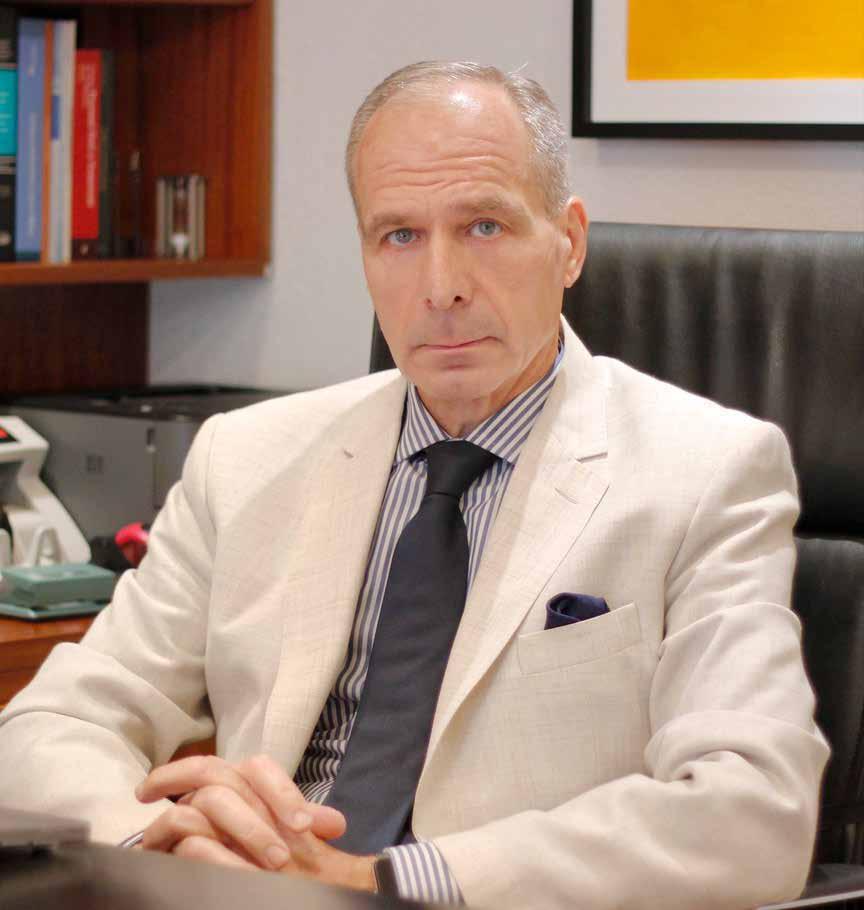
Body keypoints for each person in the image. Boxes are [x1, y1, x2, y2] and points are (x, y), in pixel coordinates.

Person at [0, 62, 828, 909]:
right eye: (398, 235)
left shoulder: (706, 472)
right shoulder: (246, 458)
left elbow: (752, 809)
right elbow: (50, 725)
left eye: (484, 226)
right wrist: (156, 850)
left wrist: (375, 881)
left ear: (569, 242)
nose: (441, 287)